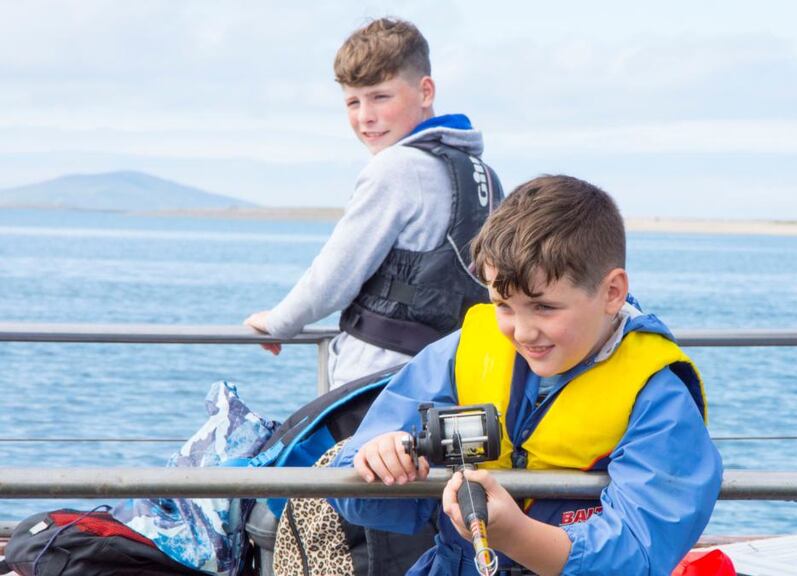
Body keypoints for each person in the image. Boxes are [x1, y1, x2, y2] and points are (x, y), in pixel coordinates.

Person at [330, 175, 723, 575]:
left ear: (612, 292)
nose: (522, 331)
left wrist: (516, 536)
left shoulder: (658, 399)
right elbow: (352, 490)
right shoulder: (463, 353)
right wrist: (378, 457)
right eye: (503, 305)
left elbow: (640, 552)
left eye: (544, 308)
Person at [245, 18, 502, 389]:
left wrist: (279, 322)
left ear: (425, 91)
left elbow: (336, 273)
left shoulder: (395, 168)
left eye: (381, 97)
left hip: (377, 380)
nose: (366, 116)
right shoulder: (482, 175)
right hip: (455, 375)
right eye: (353, 101)